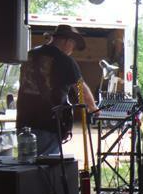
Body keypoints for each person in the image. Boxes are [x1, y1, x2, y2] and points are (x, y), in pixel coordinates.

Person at [16, 24, 97, 155]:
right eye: (73, 45)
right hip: (48, 124)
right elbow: (81, 90)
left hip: (23, 123)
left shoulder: (29, 55)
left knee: (27, 164)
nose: (72, 50)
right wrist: (93, 108)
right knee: (47, 165)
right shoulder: (65, 60)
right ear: (67, 41)